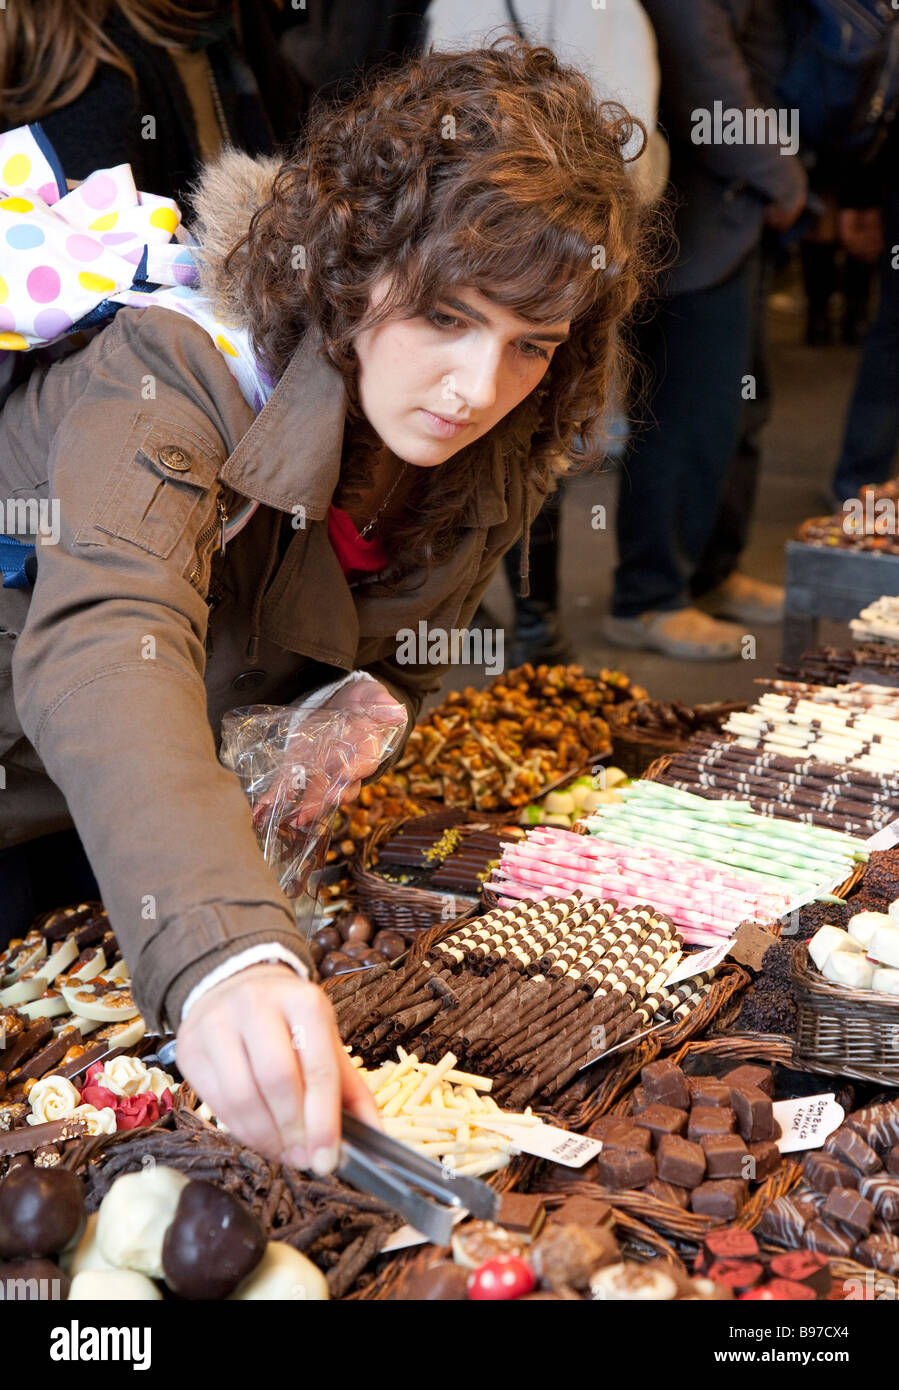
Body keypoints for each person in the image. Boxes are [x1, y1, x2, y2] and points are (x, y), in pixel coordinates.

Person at [0, 40, 648, 1170]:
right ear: (352, 269)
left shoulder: (496, 438)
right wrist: (223, 956)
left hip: (159, 828)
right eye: (447, 316)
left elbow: (393, 632)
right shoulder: (171, 374)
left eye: (530, 344)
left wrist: (349, 717)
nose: (476, 388)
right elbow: (112, 644)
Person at [426, 0, 667, 665]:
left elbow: (432, 106)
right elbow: (632, 154)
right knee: (531, 437)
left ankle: (453, 614)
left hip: (457, 238)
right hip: (549, 246)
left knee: (469, 434)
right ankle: (533, 624)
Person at [605, 0, 806, 660]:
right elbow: (707, 81)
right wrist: (780, 176)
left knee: (738, 414)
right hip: (690, 219)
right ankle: (648, 598)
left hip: (731, 213)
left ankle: (711, 571)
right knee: (685, 416)